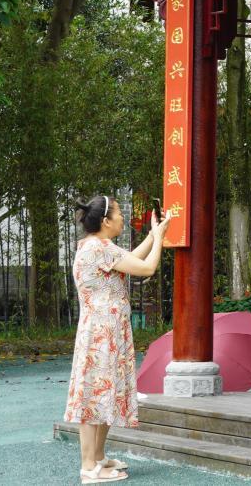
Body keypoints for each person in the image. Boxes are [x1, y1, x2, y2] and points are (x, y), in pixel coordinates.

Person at [65, 195, 171, 484]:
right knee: (94, 396)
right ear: (105, 221)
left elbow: (130, 258)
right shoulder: (99, 248)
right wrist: (160, 237)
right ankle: (89, 467)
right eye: (119, 213)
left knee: (105, 394)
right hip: (102, 332)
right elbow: (146, 268)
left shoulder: (97, 246)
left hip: (105, 331)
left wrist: (153, 234)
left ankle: (98, 458)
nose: (123, 218)